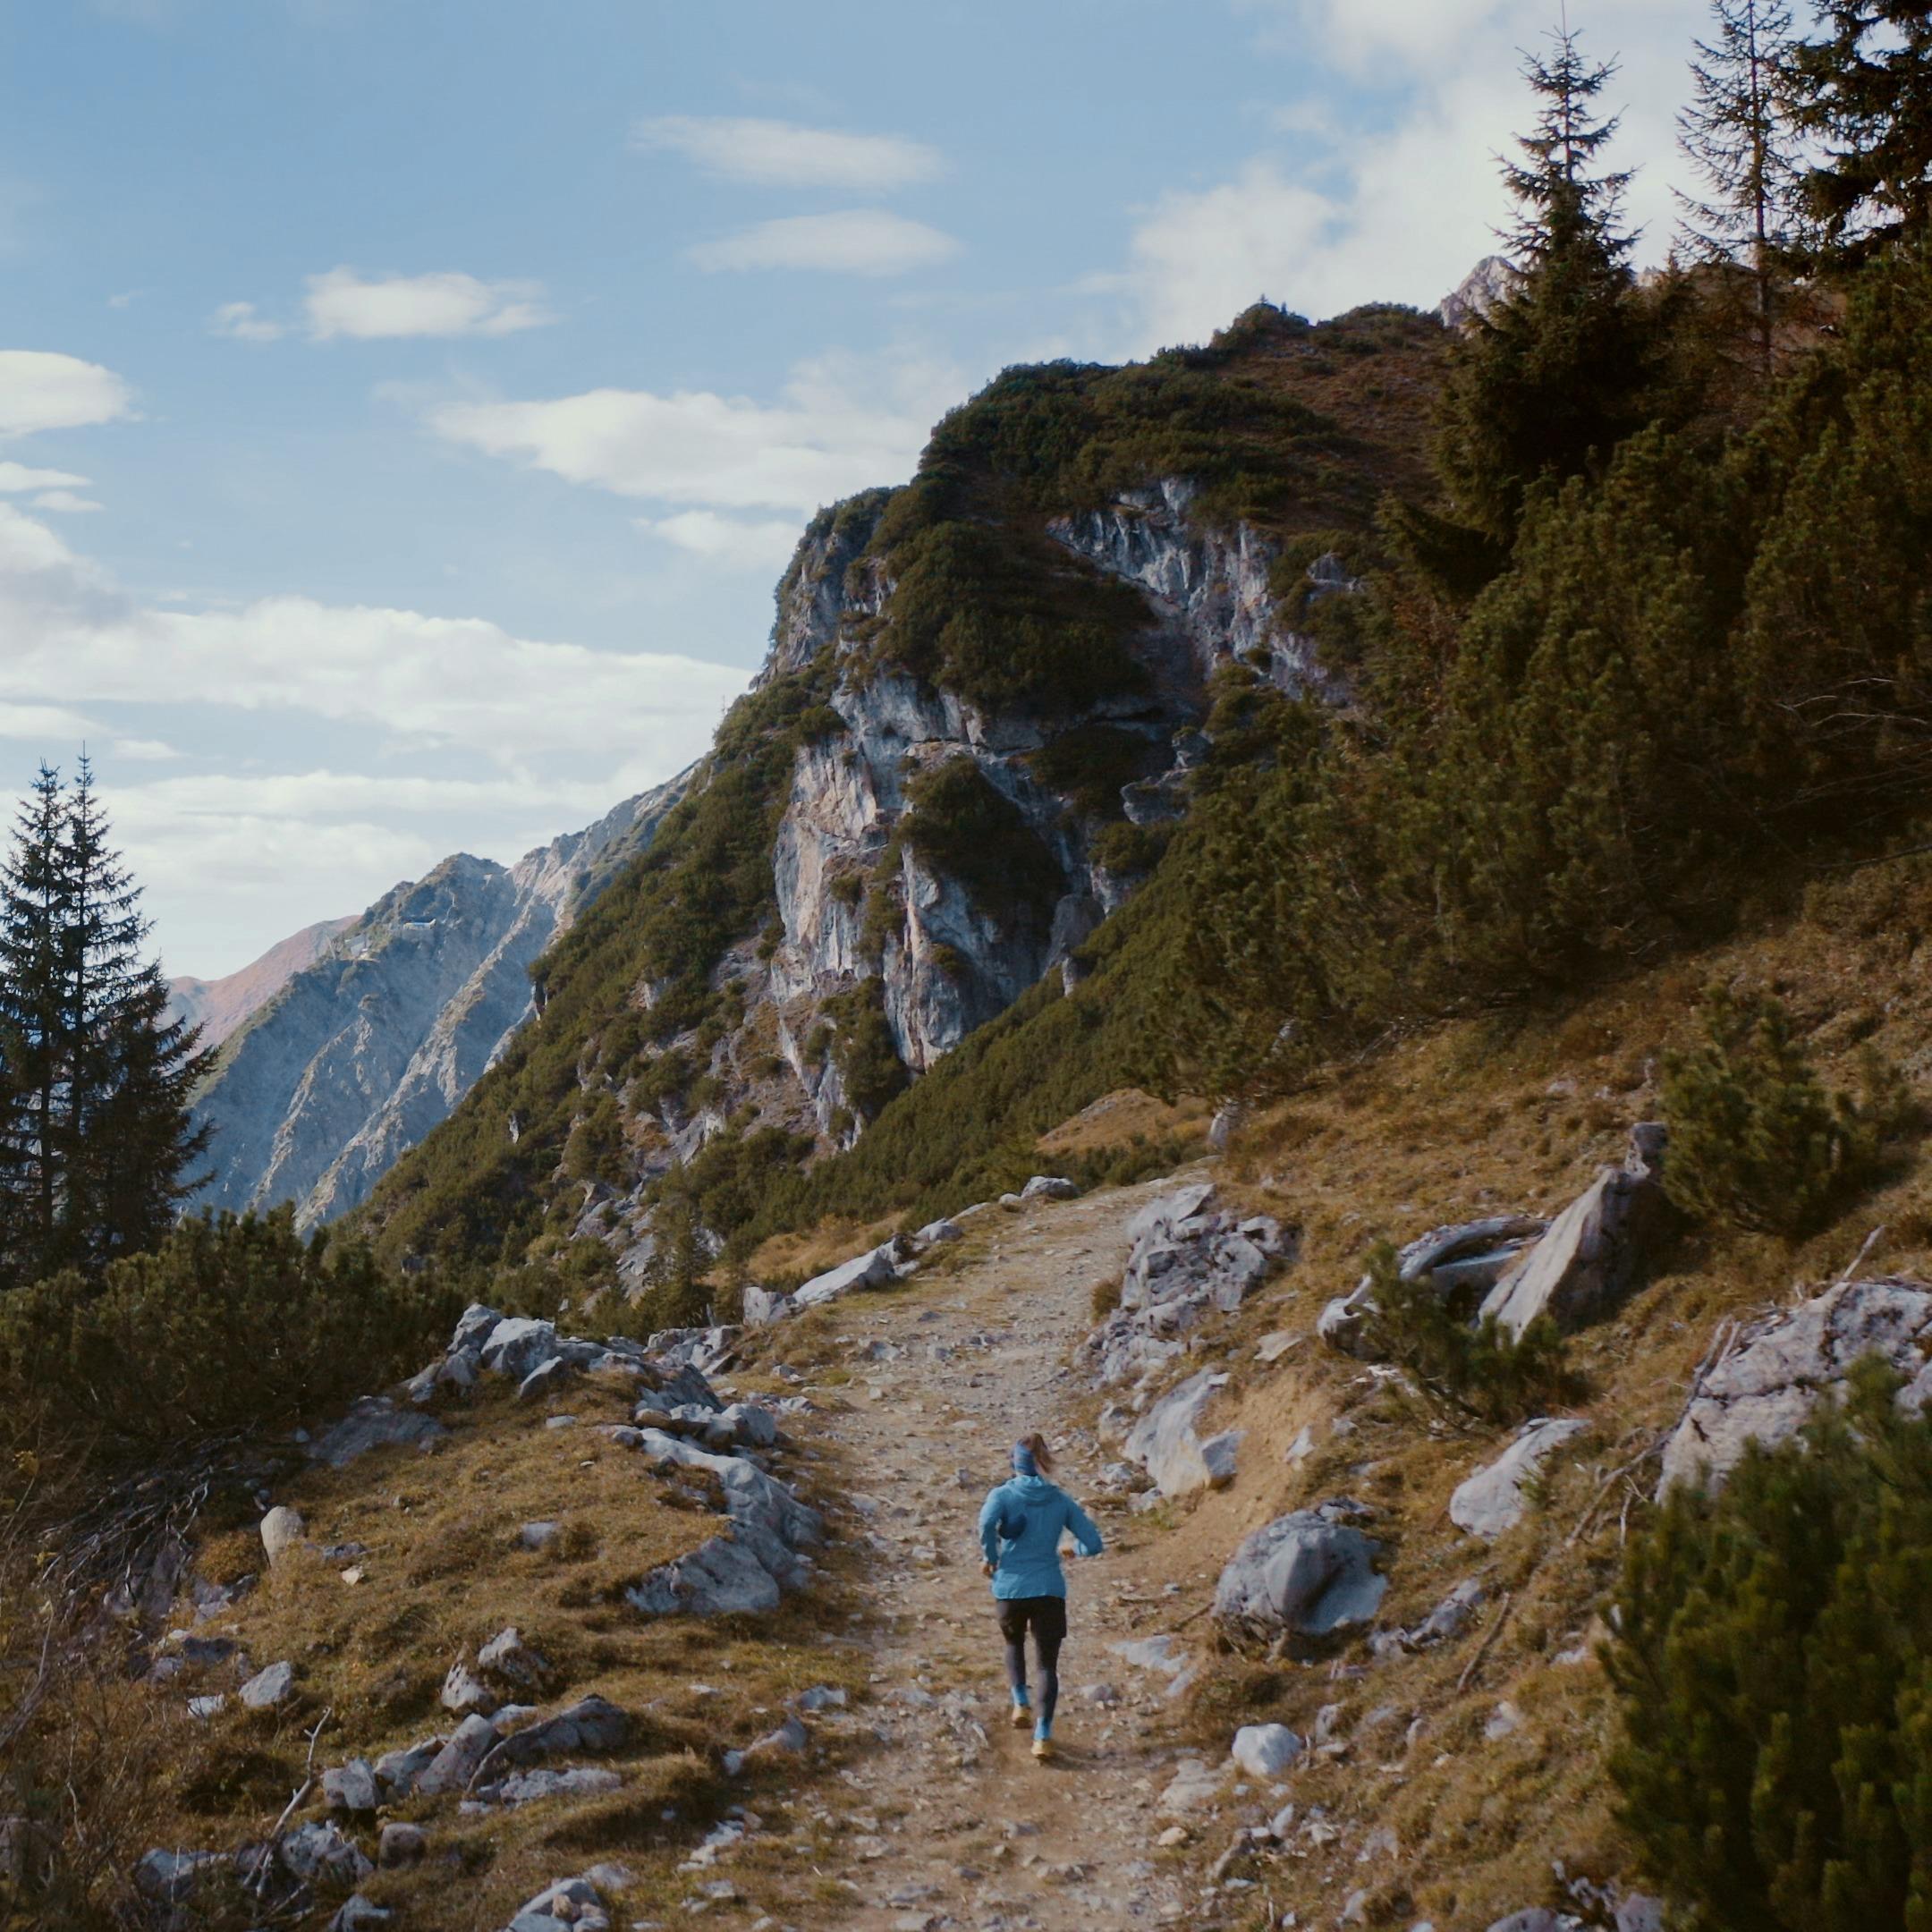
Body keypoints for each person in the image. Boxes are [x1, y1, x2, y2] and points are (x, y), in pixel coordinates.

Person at [978, 1431, 1104, 1760]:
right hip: (1049, 1589)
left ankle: (1020, 1702)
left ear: (1013, 1463)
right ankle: (1043, 1736)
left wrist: (990, 1558)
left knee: (1012, 1643)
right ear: (1043, 1463)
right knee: (1047, 1665)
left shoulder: (1002, 1496)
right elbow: (1094, 1544)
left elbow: (986, 1524)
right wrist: (1071, 1549)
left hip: (1010, 1588)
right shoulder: (1061, 1501)